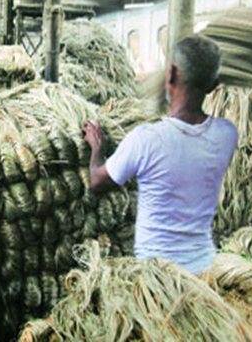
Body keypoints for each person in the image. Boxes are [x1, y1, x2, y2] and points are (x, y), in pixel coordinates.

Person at [83, 35, 238, 275]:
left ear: (172, 74)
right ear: (214, 85)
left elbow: (96, 182)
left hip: (157, 277)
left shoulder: (146, 139)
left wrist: (97, 149)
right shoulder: (226, 135)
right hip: (205, 272)